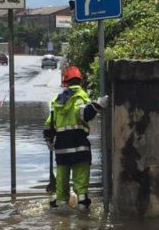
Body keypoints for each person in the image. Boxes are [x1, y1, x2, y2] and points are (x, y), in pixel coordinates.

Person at [43, 65, 109, 210]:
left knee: (61, 188)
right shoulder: (81, 95)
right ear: (80, 80)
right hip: (80, 149)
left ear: (65, 82)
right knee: (81, 188)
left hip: (61, 151)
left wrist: (48, 140)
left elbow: (49, 125)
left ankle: (61, 218)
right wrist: (98, 105)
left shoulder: (57, 100)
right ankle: (83, 221)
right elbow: (84, 114)